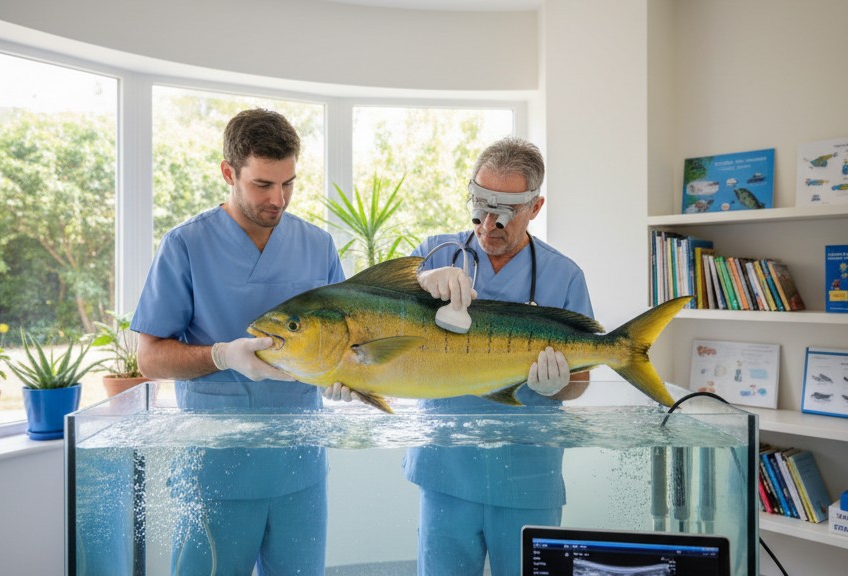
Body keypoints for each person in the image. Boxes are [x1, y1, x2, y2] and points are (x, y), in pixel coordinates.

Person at [325, 136, 593, 576]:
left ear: (535, 207)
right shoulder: (435, 252)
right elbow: (371, 328)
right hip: (445, 470)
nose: (489, 224)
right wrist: (348, 373)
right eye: (480, 206)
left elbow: (580, 381)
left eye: (505, 213)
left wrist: (558, 383)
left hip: (527, 475)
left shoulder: (564, 276)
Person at [132, 108, 345, 575]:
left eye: (288, 182)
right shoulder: (186, 245)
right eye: (262, 185)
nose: (279, 199)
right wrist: (221, 355)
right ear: (229, 173)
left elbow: (346, 344)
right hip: (215, 472)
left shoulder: (318, 247)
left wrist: (347, 375)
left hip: (299, 468)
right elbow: (149, 357)